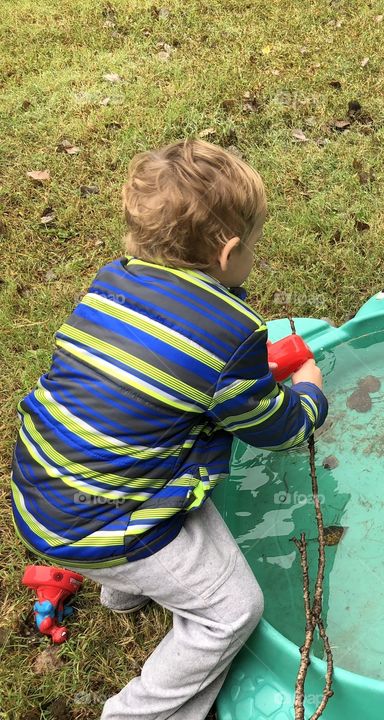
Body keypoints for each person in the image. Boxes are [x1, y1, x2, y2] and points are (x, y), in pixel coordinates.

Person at [9, 139, 326, 717]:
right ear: (229, 251)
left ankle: (124, 592)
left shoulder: (111, 283)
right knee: (232, 609)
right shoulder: (230, 337)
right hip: (99, 525)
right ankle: (137, 712)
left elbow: (148, 388)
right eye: (254, 244)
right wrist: (308, 394)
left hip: (42, 484)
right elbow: (275, 429)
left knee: (140, 439)